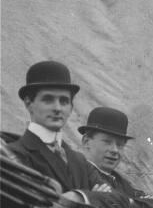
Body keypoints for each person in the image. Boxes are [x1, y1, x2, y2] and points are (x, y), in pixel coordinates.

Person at [8, 61, 105, 195]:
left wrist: (82, 198)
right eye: (48, 99)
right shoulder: (13, 155)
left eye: (64, 101)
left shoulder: (79, 160)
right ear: (28, 103)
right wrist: (93, 199)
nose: (57, 108)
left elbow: (116, 200)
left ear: (71, 107)